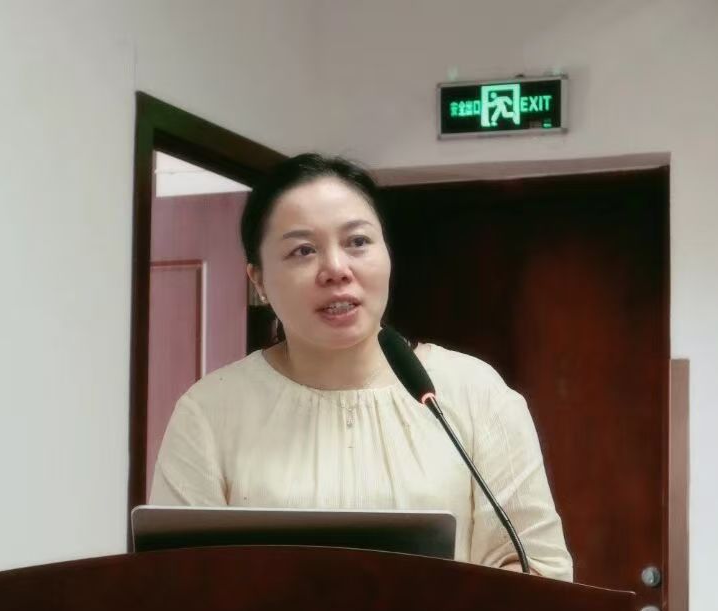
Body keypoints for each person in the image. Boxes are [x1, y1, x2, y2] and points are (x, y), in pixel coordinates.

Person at [149, 153, 572, 581]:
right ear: (257, 280)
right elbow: (174, 587)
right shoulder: (210, 412)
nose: (336, 269)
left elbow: (538, 570)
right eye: (303, 250)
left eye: (357, 242)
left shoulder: (474, 393)